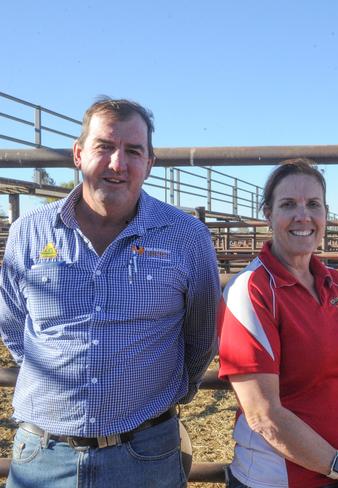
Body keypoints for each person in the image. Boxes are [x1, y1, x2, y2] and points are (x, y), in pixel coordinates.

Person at [0, 98, 220, 487]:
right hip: (44, 454)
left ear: (149, 164)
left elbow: (201, 337)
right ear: (79, 154)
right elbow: (14, 327)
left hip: (145, 450)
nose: (118, 163)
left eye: (133, 151)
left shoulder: (186, 237)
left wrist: (164, 398)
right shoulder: (28, 232)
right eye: (104, 147)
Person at [218, 158, 338, 488]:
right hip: (279, 479)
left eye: (313, 204)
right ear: (268, 214)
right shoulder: (250, 290)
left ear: (325, 213)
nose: (303, 216)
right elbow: (264, 415)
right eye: (288, 205)